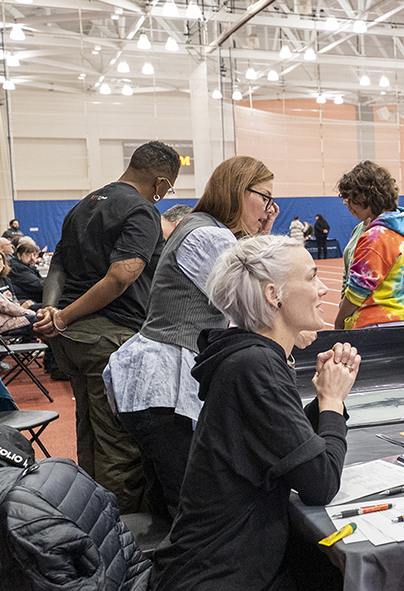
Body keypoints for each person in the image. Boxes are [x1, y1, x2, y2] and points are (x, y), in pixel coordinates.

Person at [151, 235, 358, 590]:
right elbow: (320, 482)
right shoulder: (255, 365)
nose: (322, 288)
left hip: (223, 561)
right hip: (224, 574)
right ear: (273, 294)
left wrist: (323, 397)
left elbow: (280, 440)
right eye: (311, 277)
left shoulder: (248, 357)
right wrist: (333, 401)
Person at [104, 155, 279, 522]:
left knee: (167, 503)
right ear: (238, 190)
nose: (268, 209)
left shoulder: (204, 228)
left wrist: (260, 234)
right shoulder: (209, 235)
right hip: (164, 383)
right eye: (264, 198)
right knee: (191, 508)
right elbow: (254, 301)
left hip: (157, 380)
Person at [35, 140, 181, 514]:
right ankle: (124, 535)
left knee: (90, 435)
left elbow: (58, 267)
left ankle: (92, 518)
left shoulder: (83, 205)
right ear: (161, 183)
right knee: (119, 444)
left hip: (73, 340)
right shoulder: (142, 210)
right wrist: (63, 316)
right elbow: (122, 276)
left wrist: (52, 311)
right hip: (108, 336)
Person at [334, 161, 404, 329]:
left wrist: (339, 322)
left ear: (366, 196)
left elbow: (357, 291)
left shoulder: (375, 236)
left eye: (350, 198)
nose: (346, 204)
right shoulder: (402, 232)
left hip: (375, 325)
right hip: (398, 320)